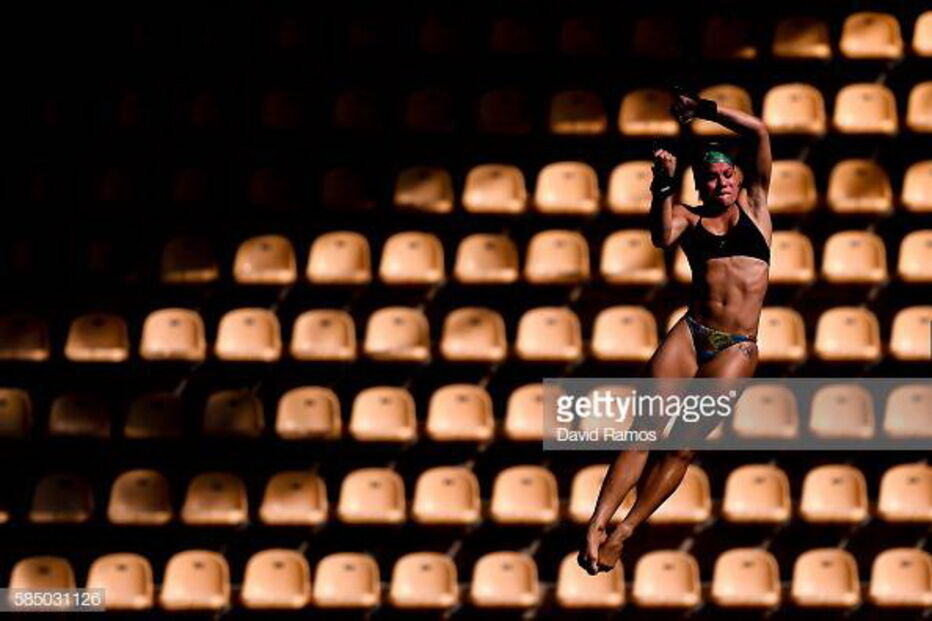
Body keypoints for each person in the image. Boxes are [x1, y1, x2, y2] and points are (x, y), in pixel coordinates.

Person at [578, 90, 772, 574]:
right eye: (711, 176)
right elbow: (661, 236)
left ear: (740, 177)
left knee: (681, 444)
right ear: (701, 184)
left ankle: (627, 528)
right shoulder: (689, 215)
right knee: (641, 429)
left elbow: (759, 131)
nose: (721, 181)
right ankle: (598, 521)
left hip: (736, 345)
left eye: (728, 173)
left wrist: (703, 110)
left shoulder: (756, 204)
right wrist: (662, 186)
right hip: (692, 331)